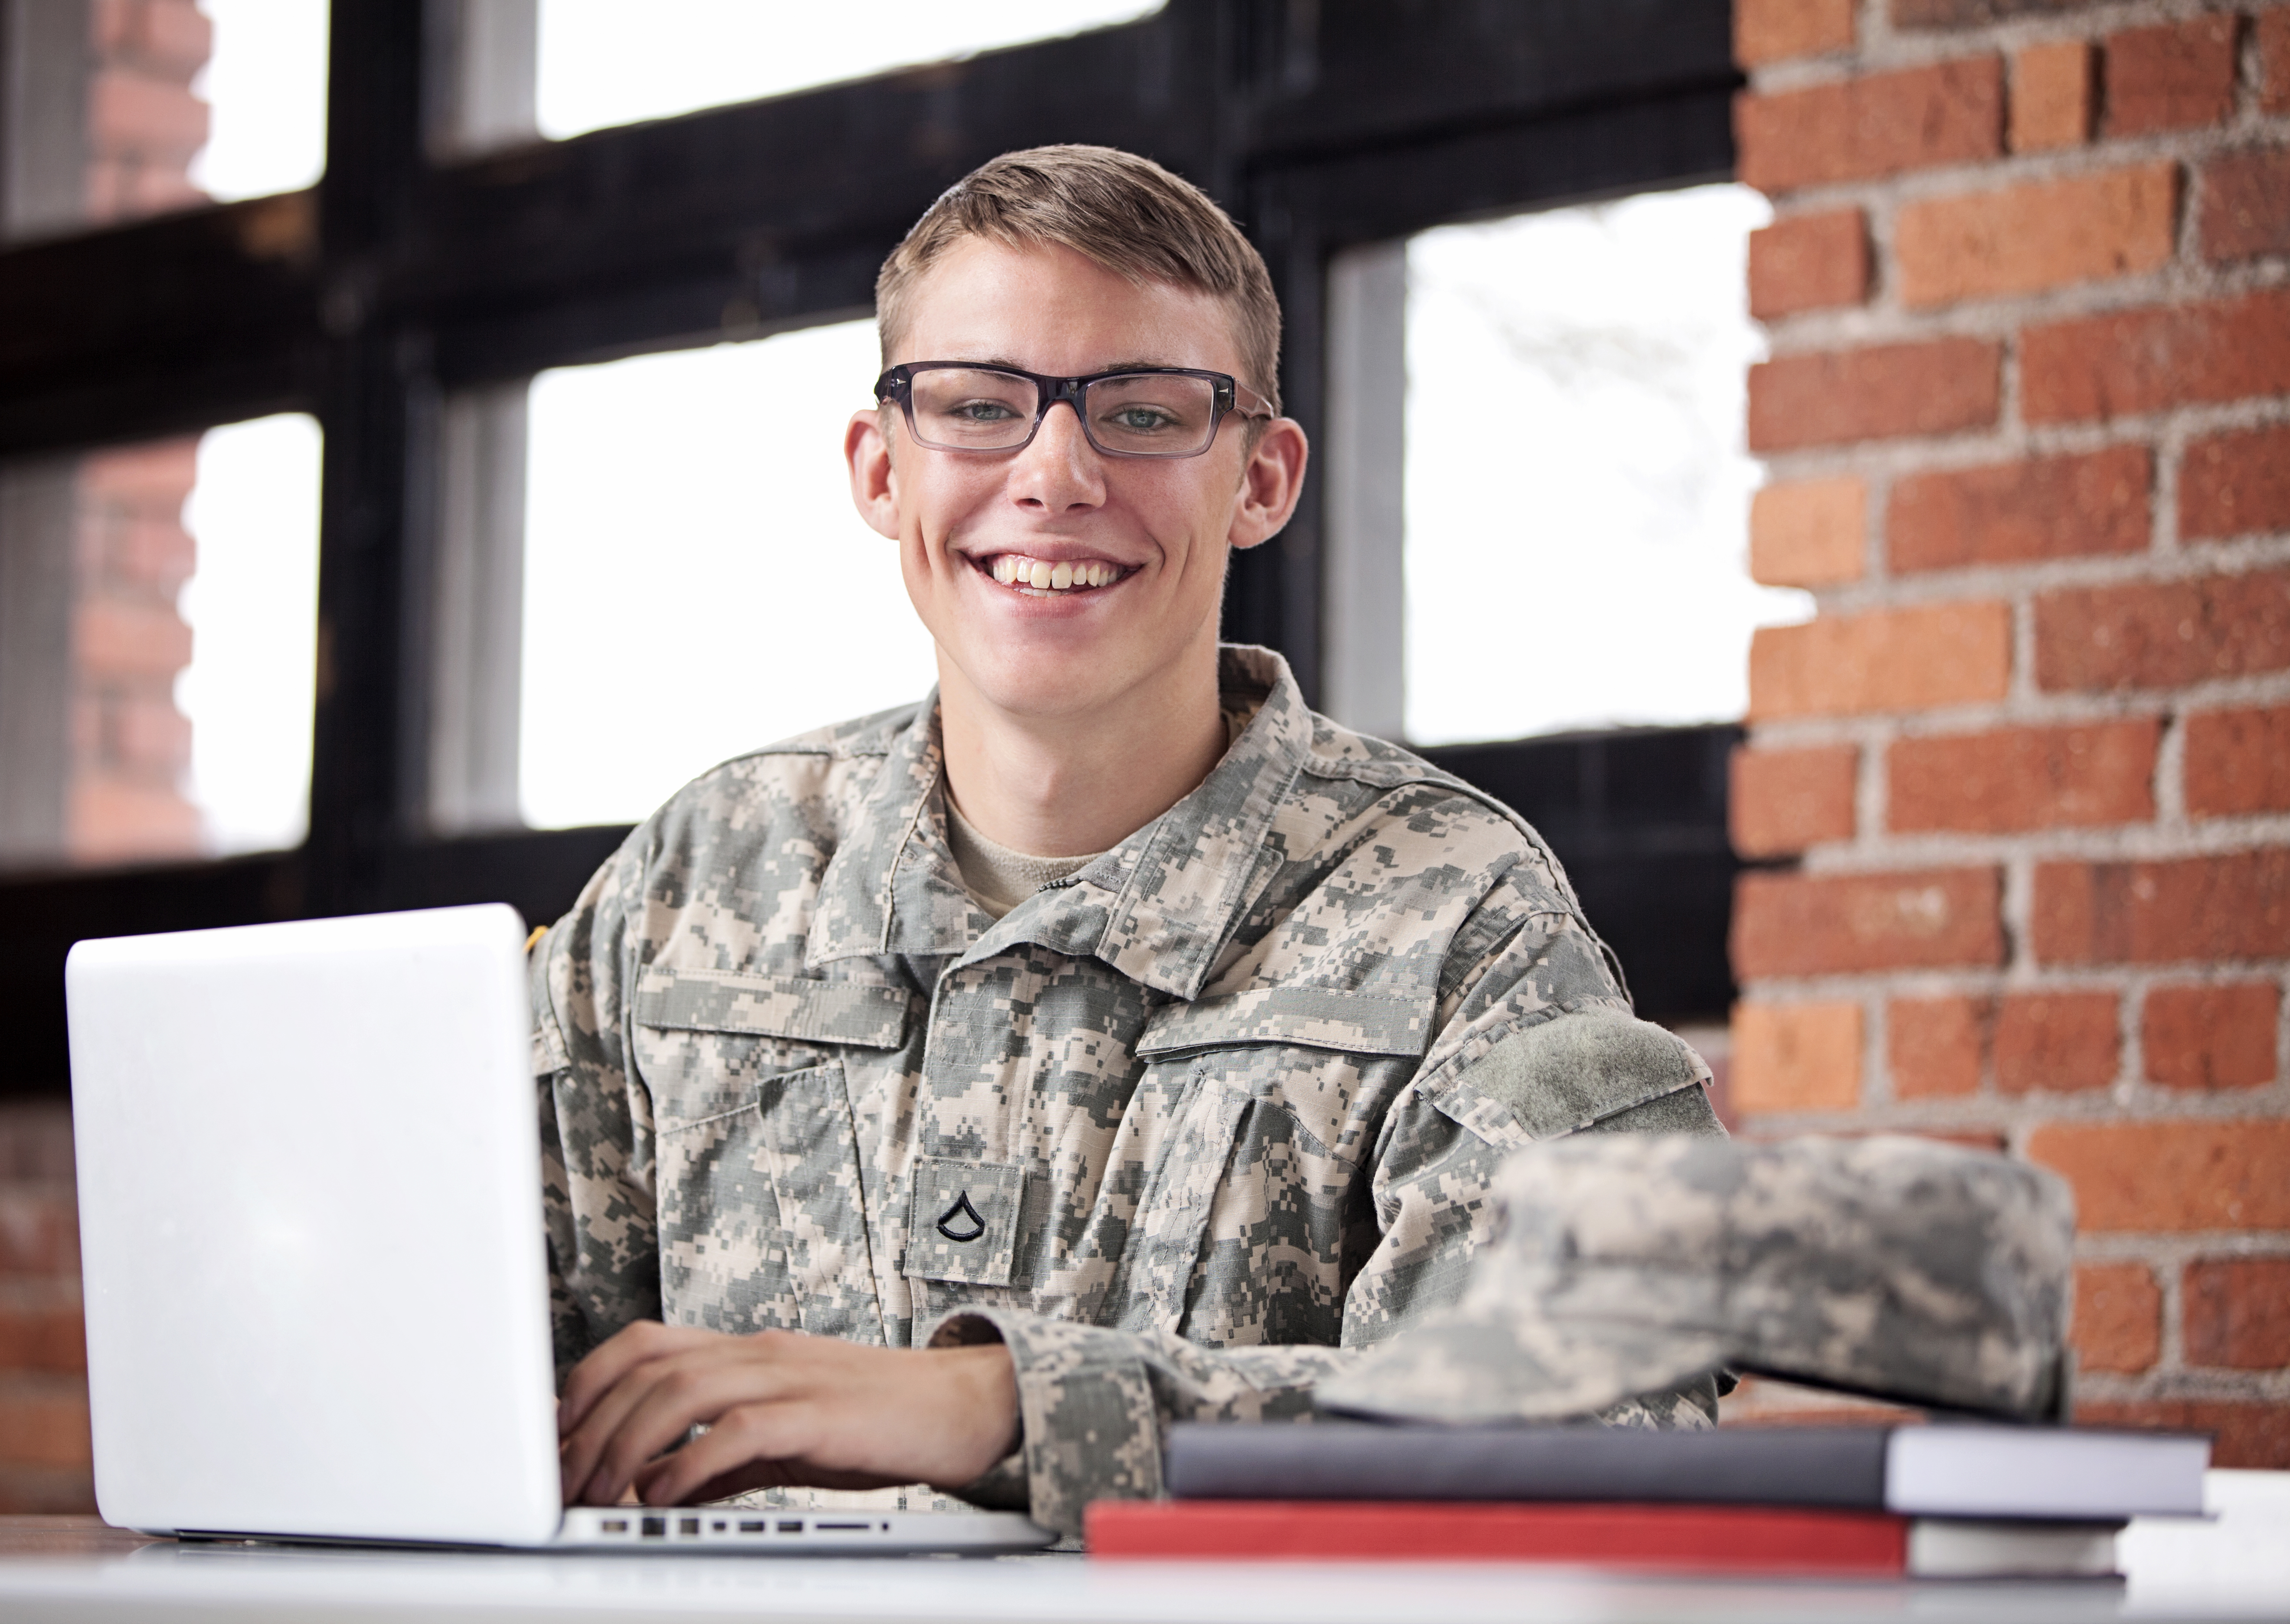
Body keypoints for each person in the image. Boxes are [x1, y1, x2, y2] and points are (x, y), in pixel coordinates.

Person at [530, 144, 1724, 1539]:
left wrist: (1015, 1410)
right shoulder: (698, 880)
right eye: (978, 407)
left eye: (1145, 415)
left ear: (1263, 479)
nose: (1055, 475)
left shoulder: (1461, 921)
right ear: (879, 471)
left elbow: (1598, 1419)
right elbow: (437, 1351)